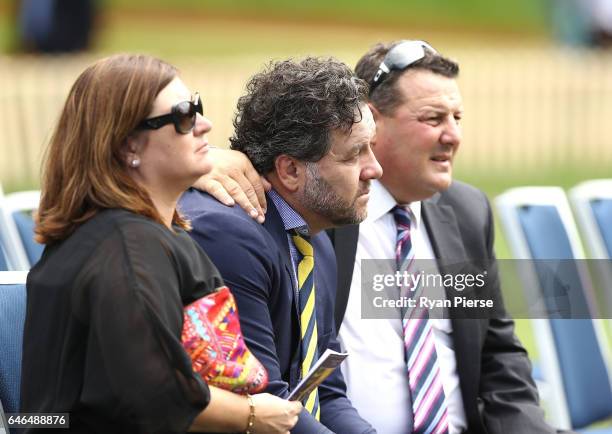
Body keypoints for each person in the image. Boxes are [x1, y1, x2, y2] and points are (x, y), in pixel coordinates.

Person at [197, 42, 571, 434]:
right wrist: (210, 159)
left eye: (458, 117)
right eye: (433, 118)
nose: (453, 135)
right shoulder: (324, 219)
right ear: (375, 120)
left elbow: (498, 356)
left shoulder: (465, 212)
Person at [19, 53, 301, 434]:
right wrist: (251, 415)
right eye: (184, 116)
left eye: (196, 106)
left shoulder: (133, 233)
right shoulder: (127, 248)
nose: (205, 124)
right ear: (128, 147)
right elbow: (149, 391)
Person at [179, 57, 381, 434]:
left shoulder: (315, 243)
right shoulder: (228, 236)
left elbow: (327, 394)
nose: (374, 170)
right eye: (355, 154)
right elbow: (260, 399)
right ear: (290, 170)